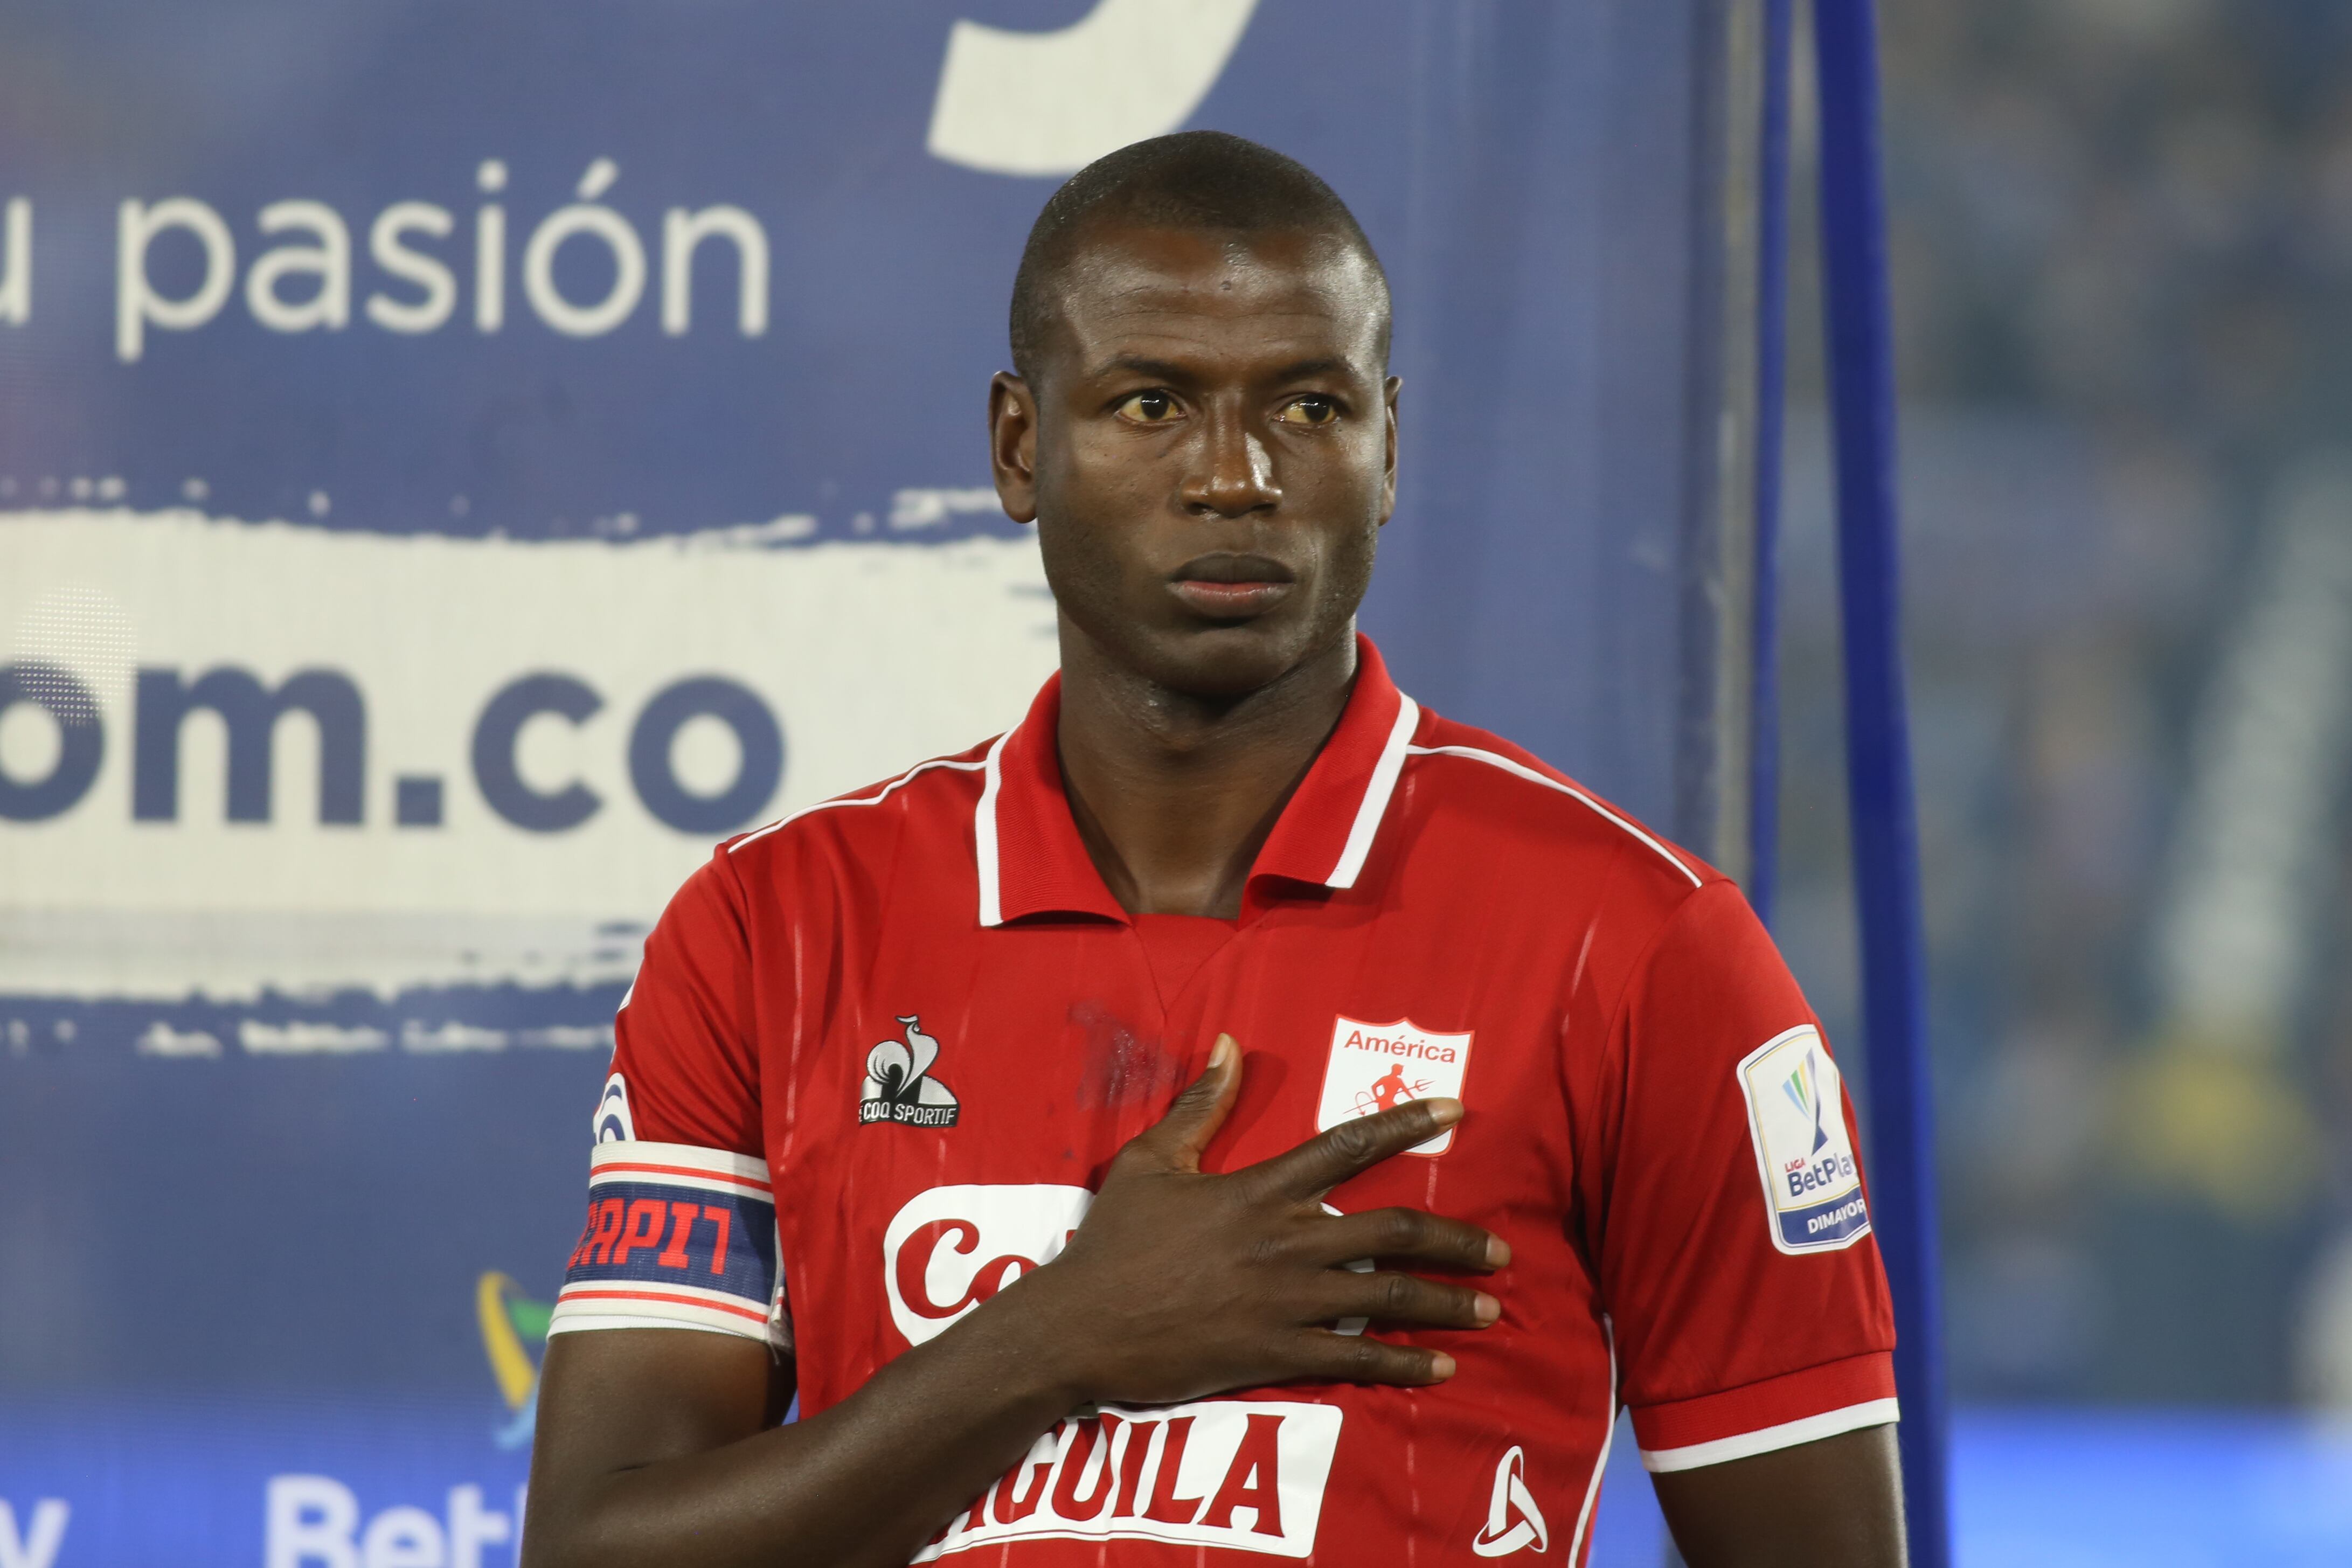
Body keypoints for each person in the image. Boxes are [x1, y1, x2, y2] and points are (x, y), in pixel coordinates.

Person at [522, 131, 1905, 1568]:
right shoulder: (773, 923)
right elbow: (597, 1551)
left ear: (1388, 453)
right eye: (1152, 403)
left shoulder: (1639, 944)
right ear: (1019, 447)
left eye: (1310, 406)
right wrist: (1056, 1340)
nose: (1235, 476)